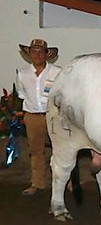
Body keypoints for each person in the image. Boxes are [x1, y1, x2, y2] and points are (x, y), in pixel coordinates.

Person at [16, 39, 61, 196]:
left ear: (46, 54)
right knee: (35, 151)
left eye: (41, 51)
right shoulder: (22, 74)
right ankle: (37, 183)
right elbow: (21, 95)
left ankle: (65, 183)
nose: (37, 54)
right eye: (34, 51)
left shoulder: (57, 72)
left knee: (61, 150)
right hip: (32, 117)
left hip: (53, 116)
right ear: (29, 54)